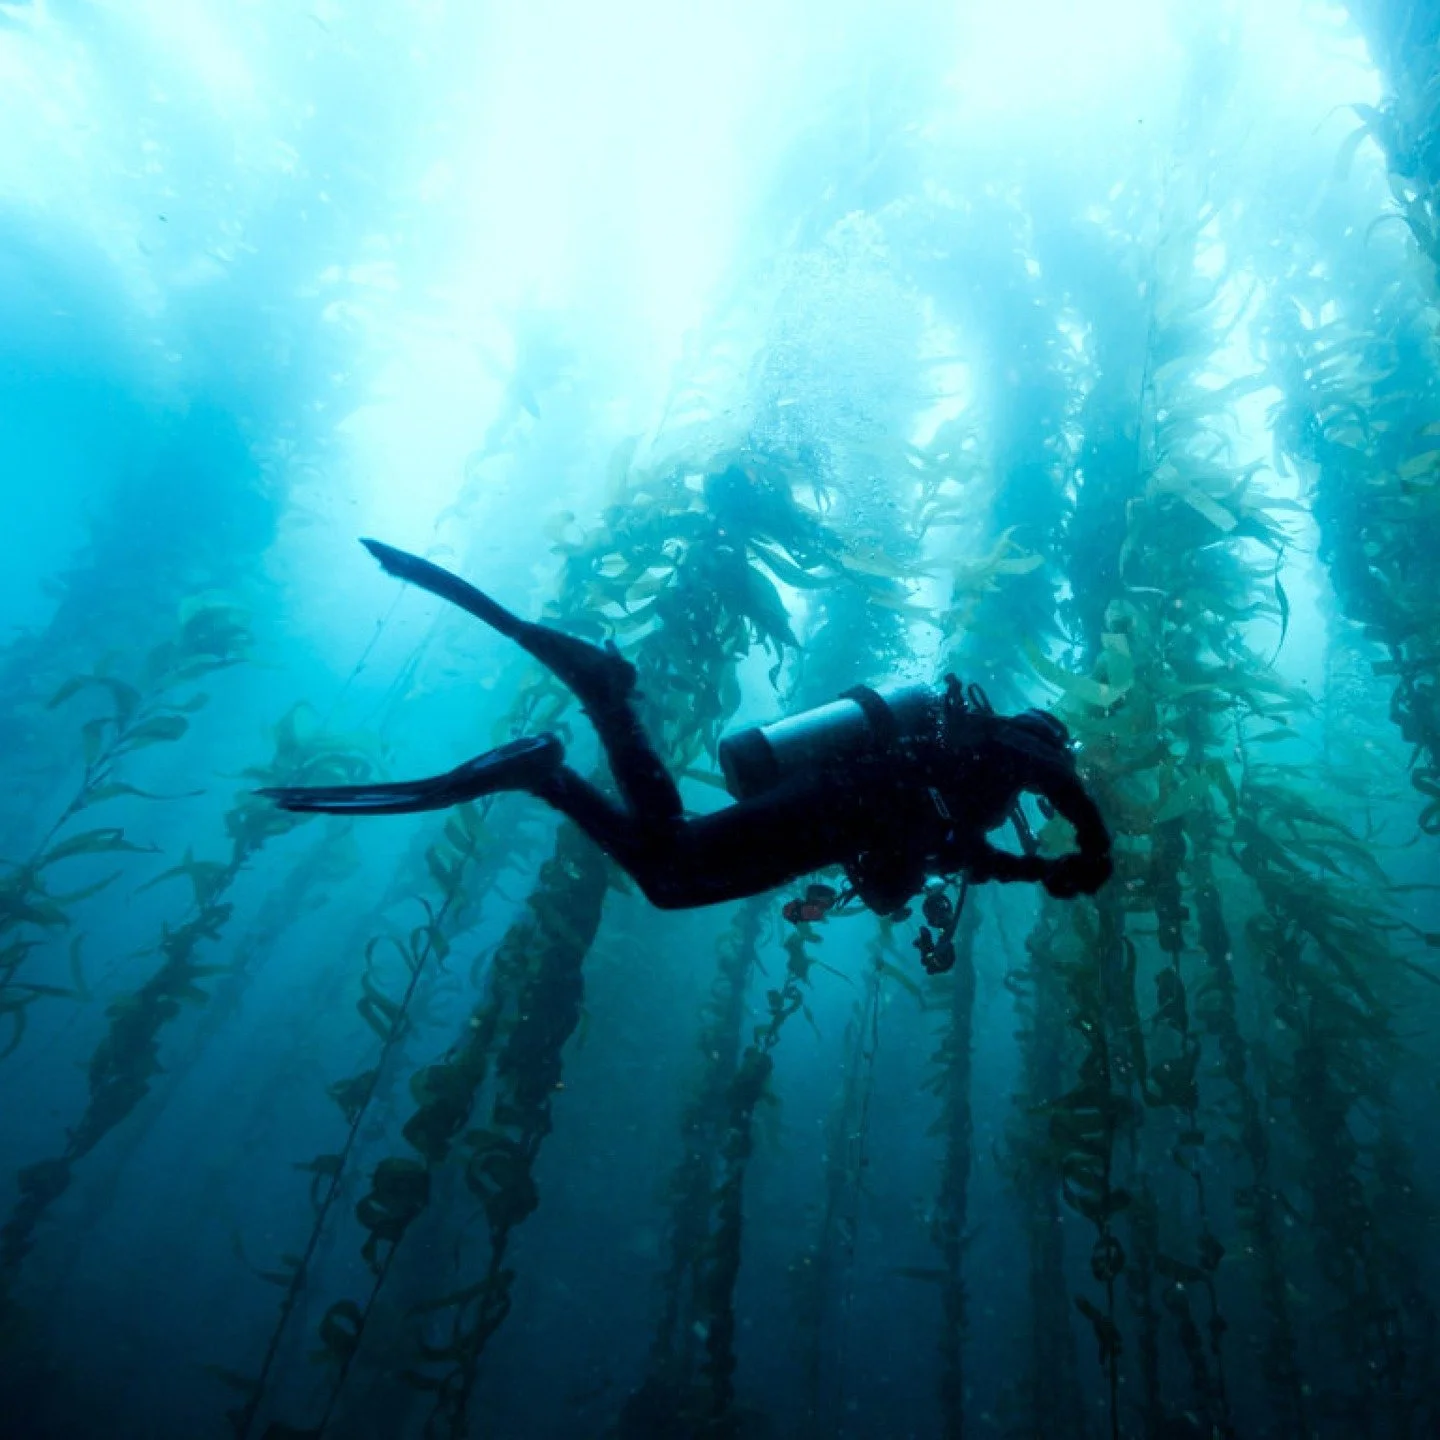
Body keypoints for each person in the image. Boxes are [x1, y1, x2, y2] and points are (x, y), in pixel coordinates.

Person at [262, 539, 1113, 916]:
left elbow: (960, 859)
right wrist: (1094, 845)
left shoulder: (978, 798)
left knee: (672, 875)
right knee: (674, 866)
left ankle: (562, 752)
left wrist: (1034, 873)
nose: (1048, 771)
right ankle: (587, 718)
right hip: (837, 802)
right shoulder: (1010, 745)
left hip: (834, 823)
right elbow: (1051, 774)